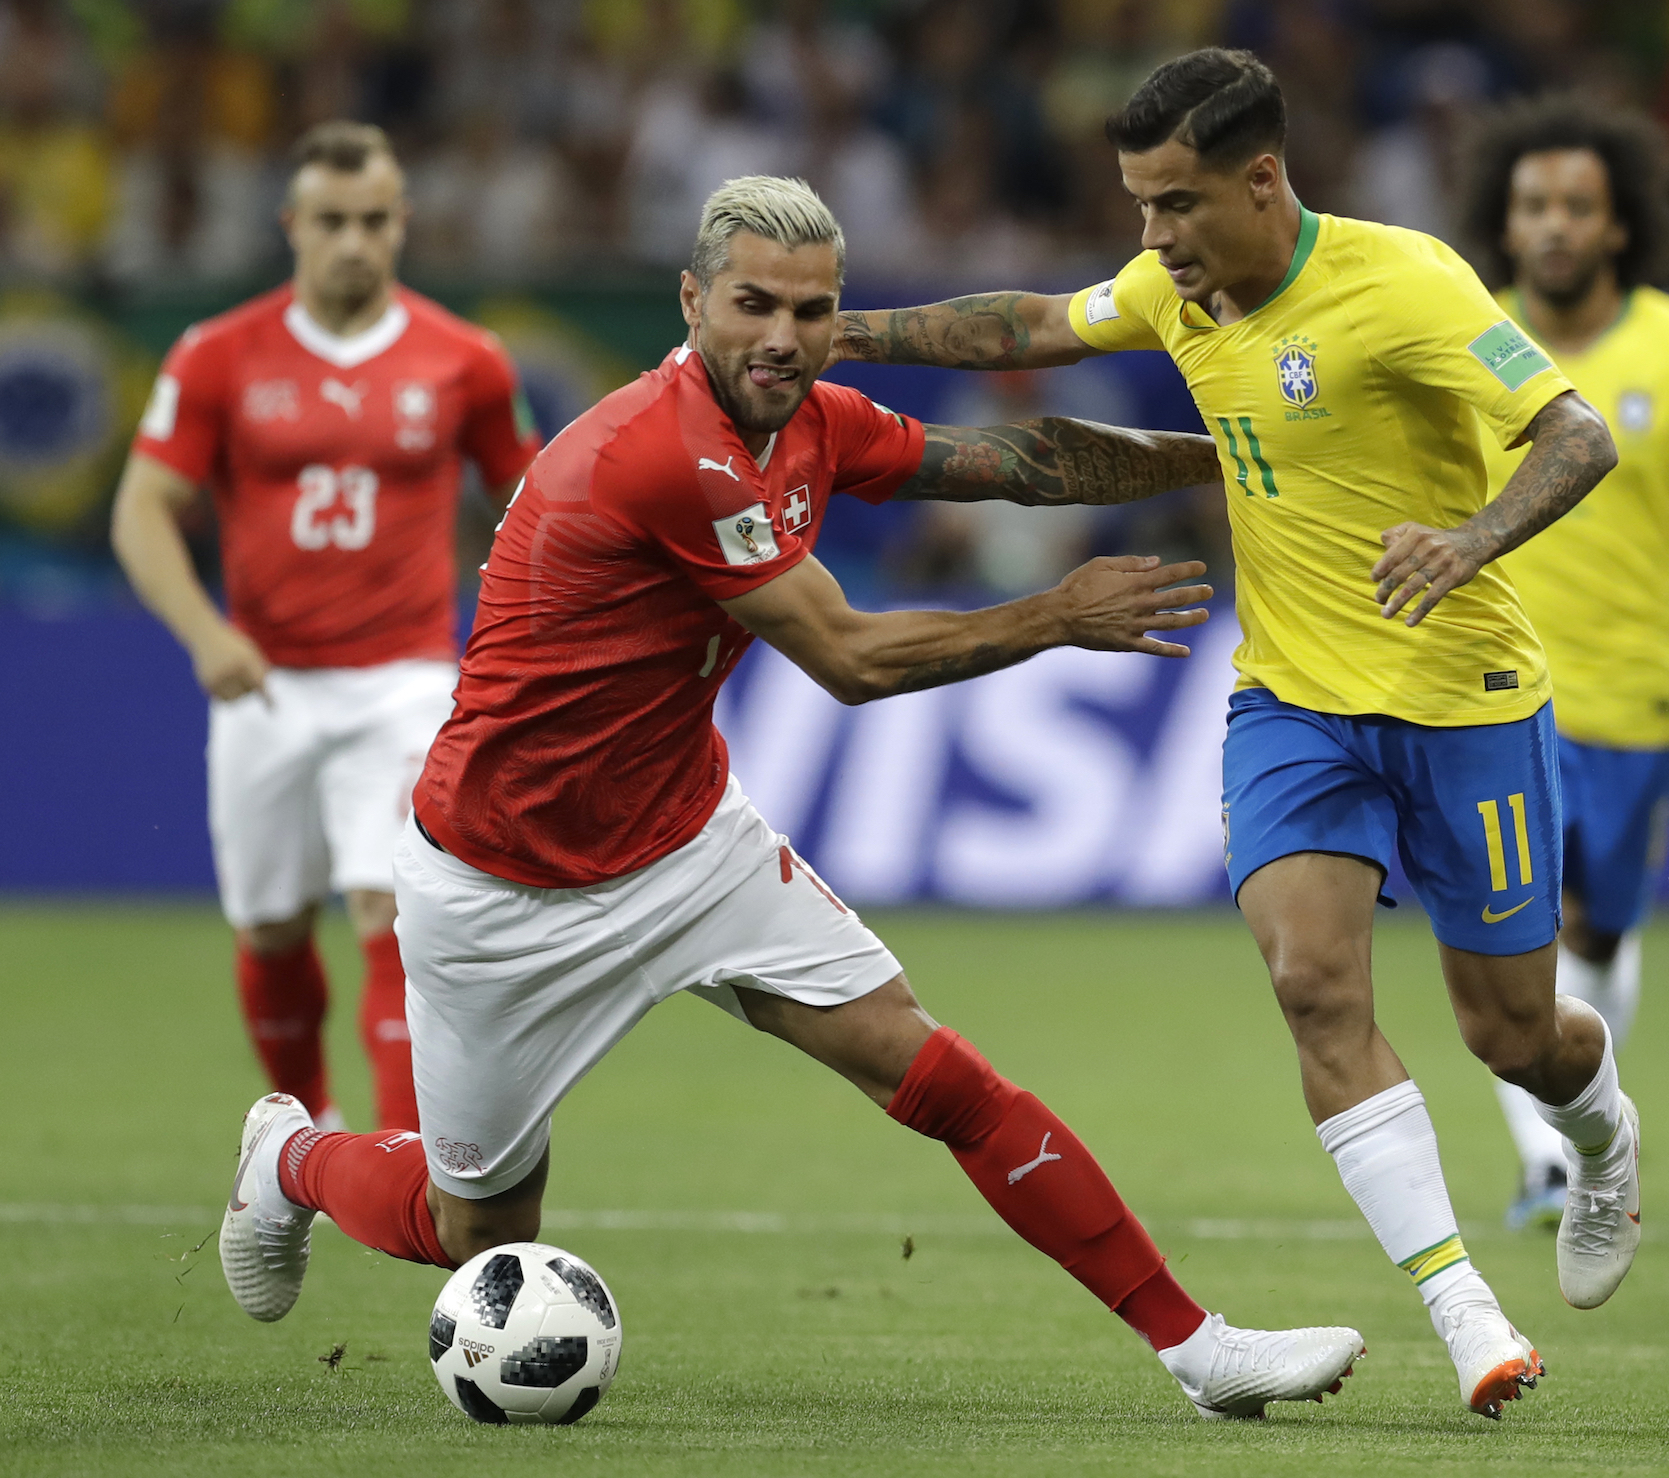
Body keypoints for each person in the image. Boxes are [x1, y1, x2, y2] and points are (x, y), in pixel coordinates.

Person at [219, 175, 1367, 1422]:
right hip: (504, 881)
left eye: (812, 311)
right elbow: (852, 661)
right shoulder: (662, 450)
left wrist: (1249, 456)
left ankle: (1200, 1349)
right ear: (692, 299)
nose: (783, 336)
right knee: (465, 1226)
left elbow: (1014, 462)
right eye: (753, 305)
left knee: (936, 1073)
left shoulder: (811, 417)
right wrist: (1052, 614)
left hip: (685, 845)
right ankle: (290, 1155)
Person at [832, 50, 1633, 1420]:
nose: (1153, 240)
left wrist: (1471, 536)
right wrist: (845, 334)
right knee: (1314, 985)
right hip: (1293, 704)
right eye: (1140, 205)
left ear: (1263, 180)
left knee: (1513, 1036)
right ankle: (1464, 1310)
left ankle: (1601, 1134)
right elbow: (1026, 327)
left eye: (1177, 205)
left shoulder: (1410, 283)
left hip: (1466, 701)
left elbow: (1577, 436)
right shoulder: (1172, 287)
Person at [112, 122, 540, 1135]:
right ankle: (302, 1133)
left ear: (403, 225)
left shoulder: (466, 360)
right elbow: (142, 507)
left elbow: (532, 506)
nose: (355, 241)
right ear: (292, 226)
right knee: (268, 927)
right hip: (263, 681)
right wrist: (203, 632)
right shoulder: (218, 355)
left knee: (388, 912)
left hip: (402, 678)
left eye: (375, 220)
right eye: (333, 221)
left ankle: (403, 1160)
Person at [1461, 98, 1669, 1229]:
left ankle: (1584, 1114)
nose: (1554, 225)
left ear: (1618, 225)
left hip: (1639, 697)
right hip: (1489, 695)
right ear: (1503, 225)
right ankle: (1552, 1162)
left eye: (1577, 207)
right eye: (1534, 205)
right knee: (1512, 935)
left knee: (1600, 930)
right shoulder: (1460, 339)